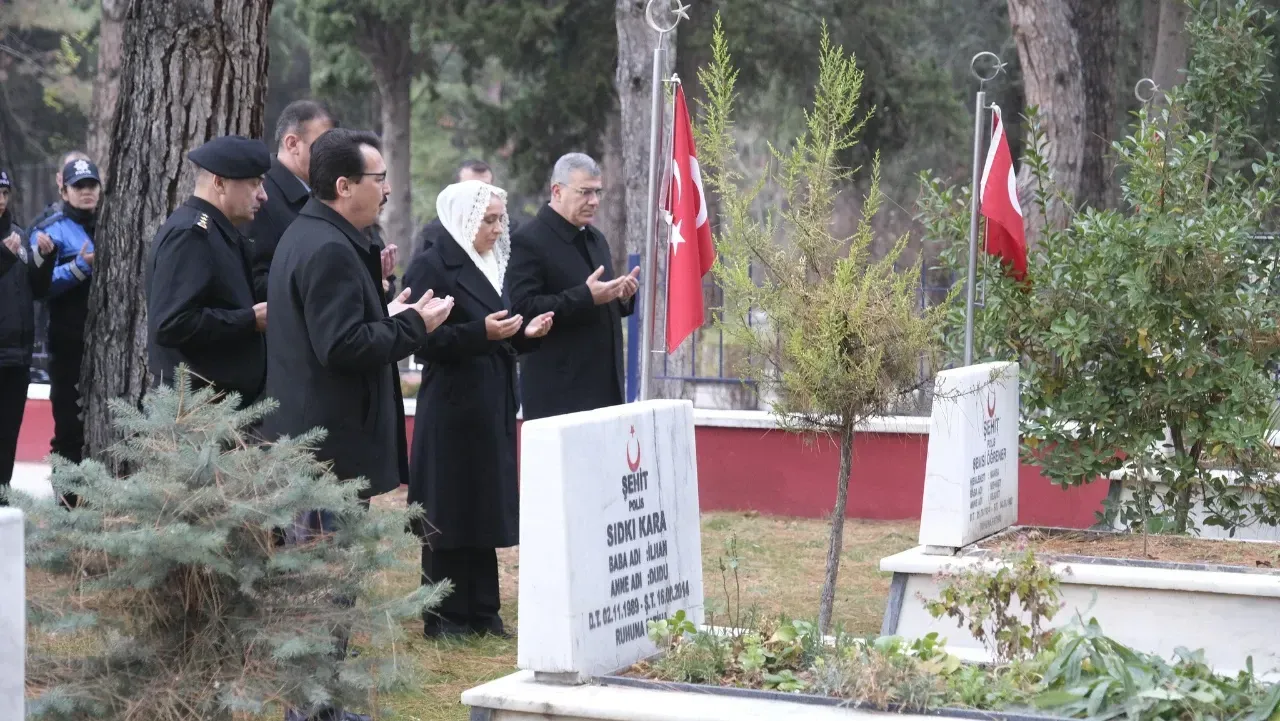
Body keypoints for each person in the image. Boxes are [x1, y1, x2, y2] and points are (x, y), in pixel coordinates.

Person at [261, 128, 454, 500]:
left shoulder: (312, 232)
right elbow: (341, 345)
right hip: (326, 455)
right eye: (379, 179)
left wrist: (388, 311)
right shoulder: (328, 247)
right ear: (344, 186)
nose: (387, 190)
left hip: (318, 446)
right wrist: (415, 323)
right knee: (327, 555)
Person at [403, 180, 553, 639]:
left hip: (490, 402)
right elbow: (419, 339)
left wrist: (522, 335)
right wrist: (480, 335)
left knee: (483, 503)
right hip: (451, 406)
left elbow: (496, 328)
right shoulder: (432, 264)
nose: (496, 228)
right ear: (464, 219)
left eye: (499, 219)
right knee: (450, 509)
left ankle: (484, 610)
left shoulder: (492, 262)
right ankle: (445, 616)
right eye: (488, 219)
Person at [505, 152, 639, 420]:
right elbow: (523, 310)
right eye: (585, 192)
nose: (594, 201)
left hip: (604, 387)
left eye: (597, 192)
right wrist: (585, 297)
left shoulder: (596, 238)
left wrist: (621, 296)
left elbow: (599, 303)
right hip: (559, 392)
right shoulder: (528, 241)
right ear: (557, 191)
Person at [146, 136, 271, 406]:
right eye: (254, 183)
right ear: (219, 182)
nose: (263, 195)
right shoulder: (192, 235)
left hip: (215, 406)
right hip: (196, 411)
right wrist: (248, 320)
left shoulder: (218, 231)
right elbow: (171, 323)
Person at [30, 158, 101, 470]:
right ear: (65, 189)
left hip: (107, 345)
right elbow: (38, 287)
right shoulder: (49, 229)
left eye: (91, 185)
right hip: (67, 345)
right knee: (69, 432)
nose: (86, 192)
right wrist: (81, 267)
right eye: (79, 186)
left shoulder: (115, 219)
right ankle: (66, 509)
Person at [0, 170, 56, 502]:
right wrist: (5, 256)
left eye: (4, 193)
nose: (1, 200)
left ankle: (2, 498)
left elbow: (36, 290)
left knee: (7, 434)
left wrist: (45, 260)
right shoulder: (11, 246)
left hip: (17, 356)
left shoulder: (19, 236)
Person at [247, 99, 336, 301]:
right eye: (322, 147)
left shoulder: (318, 192)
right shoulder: (262, 196)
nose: (330, 158)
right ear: (292, 143)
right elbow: (254, 280)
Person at [413, 159, 494, 255]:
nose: (479, 193)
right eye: (470, 187)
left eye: (485, 187)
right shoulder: (435, 234)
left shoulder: (509, 233)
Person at [29, 150, 91, 229]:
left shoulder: (104, 219)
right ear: (59, 180)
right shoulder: (44, 226)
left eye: (89, 181)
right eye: (76, 183)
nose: (85, 190)